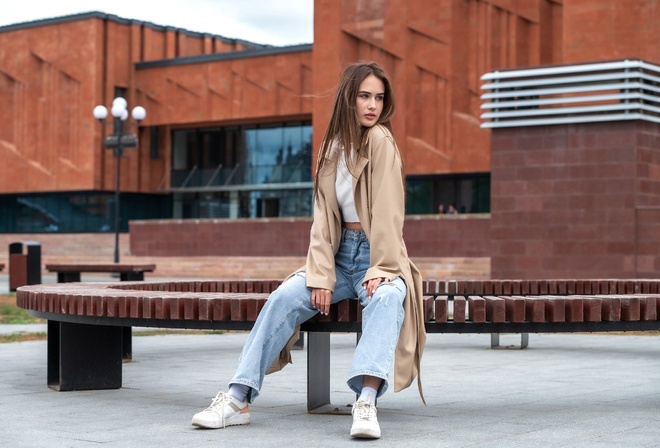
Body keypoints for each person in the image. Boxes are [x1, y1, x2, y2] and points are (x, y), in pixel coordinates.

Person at [191, 61, 426, 439]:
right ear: (348, 99)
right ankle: (238, 398)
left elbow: (388, 209)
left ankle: (366, 401)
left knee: (385, 300)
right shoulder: (331, 148)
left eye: (379, 98)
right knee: (284, 296)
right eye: (364, 96)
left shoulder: (381, 140)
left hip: (380, 257)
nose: (372, 105)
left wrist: (381, 266)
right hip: (336, 257)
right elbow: (322, 219)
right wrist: (320, 275)